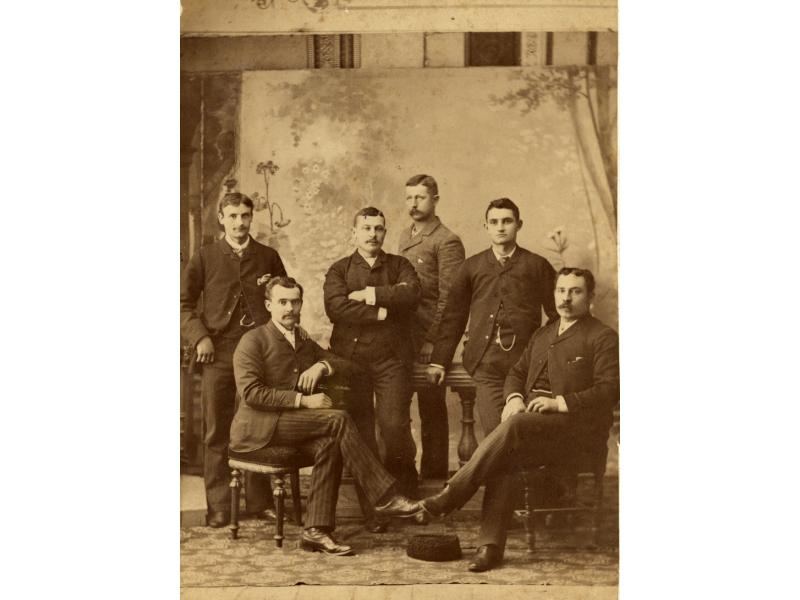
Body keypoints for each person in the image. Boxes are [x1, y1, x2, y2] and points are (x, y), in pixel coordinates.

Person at [419, 267, 619, 571]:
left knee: (513, 426)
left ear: (589, 297)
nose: (566, 298)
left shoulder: (602, 336)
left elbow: (610, 390)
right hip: (534, 428)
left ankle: (452, 494)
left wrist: (558, 403)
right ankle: (490, 548)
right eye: (561, 290)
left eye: (575, 291)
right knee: (505, 456)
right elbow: (516, 372)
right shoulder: (544, 333)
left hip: (576, 434)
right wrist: (513, 397)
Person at [230, 277, 421, 556]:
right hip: (257, 429)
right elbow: (251, 393)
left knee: (329, 444)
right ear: (269, 305)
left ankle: (315, 531)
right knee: (338, 419)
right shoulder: (253, 340)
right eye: (282, 302)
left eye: (295, 302)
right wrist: (303, 400)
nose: (289, 309)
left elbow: (348, 366)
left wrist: (322, 365)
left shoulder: (302, 339)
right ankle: (384, 496)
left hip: (287, 425)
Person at [180, 183, 287, 528]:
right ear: (221, 219)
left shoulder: (267, 256)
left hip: (259, 353)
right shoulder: (206, 257)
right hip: (219, 352)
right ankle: (219, 506)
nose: (240, 222)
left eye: (245, 216)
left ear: (251, 218)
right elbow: (182, 305)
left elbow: (285, 297)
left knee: (257, 425)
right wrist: (200, 338)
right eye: (233, 216)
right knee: (217, 429)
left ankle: (259, 502)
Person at [427, 197, 558, 435]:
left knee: (525, 429)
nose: (500, 227)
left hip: (526, 365)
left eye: (507, 221)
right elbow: (453, 317)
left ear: (519, 224)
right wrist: (439, 360)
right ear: (485, 226)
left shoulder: (537, 265)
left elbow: (558, 315)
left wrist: (542, 349)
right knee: (495, 432)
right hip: (485, 363)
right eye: (494, 222)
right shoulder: (471, 267)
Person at [324, 207, 422, 497]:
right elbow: (336, 308)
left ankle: (404, 491)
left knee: (394, 426)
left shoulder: (400, 264)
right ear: (354, 233)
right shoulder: (339, 269)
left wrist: (369, 295)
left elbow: (413, 294)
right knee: (360, 430)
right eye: (366, 228)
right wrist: (384, 313)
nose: (372, 234)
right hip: (350, 361)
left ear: (385, 233)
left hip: (392, 359)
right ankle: (374, 501)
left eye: (378, 228)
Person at [398, 174, 465, 480]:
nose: (413, 204)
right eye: (409, 197)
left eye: (420, 198)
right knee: (398, 409)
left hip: (428, 339)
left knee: (432, 409)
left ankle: (435, 479)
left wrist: (432, 343)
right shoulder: (404, 235)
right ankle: (403, 478)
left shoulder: (447, 241)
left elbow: (449, 301)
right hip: (401, 337)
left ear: (435, 200)